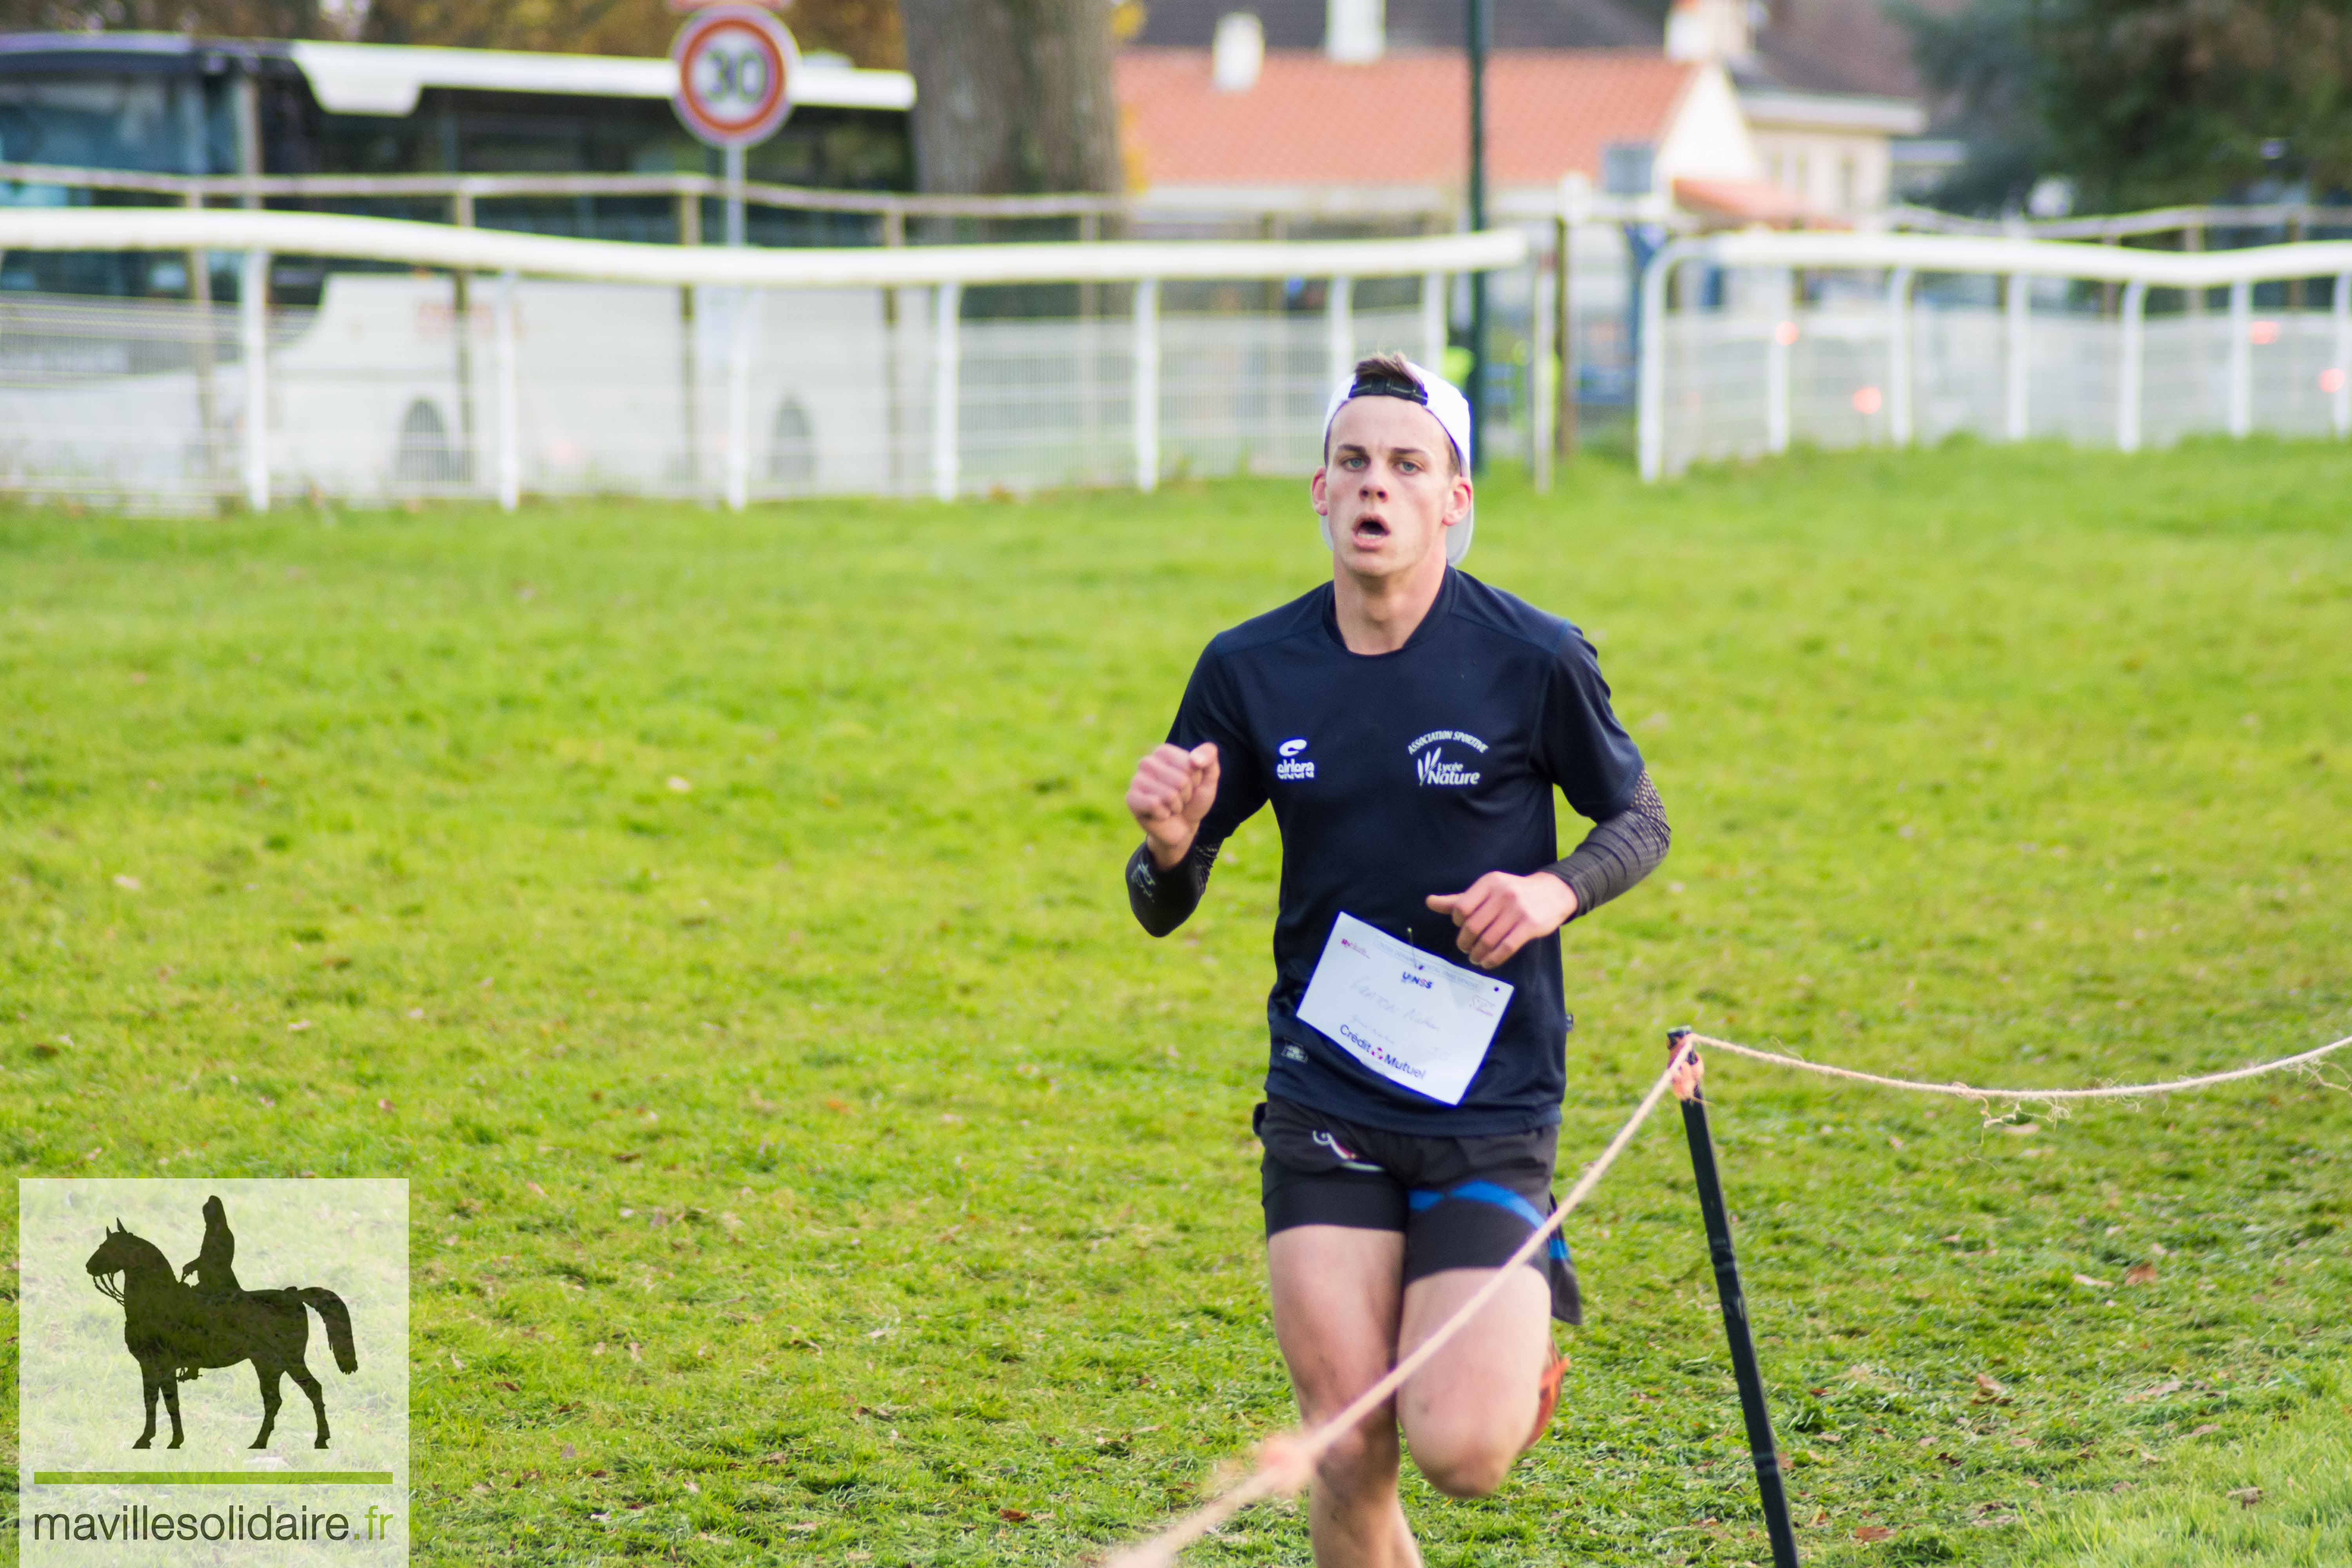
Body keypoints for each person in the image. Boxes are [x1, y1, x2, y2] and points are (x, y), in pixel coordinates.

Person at [1122, 353, 1673, 1566]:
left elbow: (1642, 822)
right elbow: (1164, 902)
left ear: (1454, 502)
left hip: (1487, 1103)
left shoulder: (1532, 658)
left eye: (1408, 466)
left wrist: (1550, 890)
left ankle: (1511, 1364)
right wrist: (1169, 848)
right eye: (1356, 463)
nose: (1378, 486)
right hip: (1326, 1095)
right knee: (1347, 1438)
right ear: (1320, 491)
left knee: (1461, 1455)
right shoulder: (1250, 670)